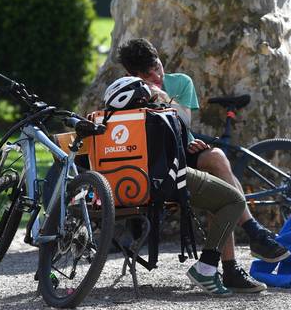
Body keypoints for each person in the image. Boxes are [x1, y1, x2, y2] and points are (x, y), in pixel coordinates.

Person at [117, 38, 291, 292]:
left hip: (184, 153)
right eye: (148, 74)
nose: (157, 75)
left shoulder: (180, 82)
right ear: (133, 75)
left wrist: (165, 99)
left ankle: (247, 243)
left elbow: (184, 120)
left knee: (217, 158)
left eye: (157, 66)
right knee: (220, 186)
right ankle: (241, 253)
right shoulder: (126, 92)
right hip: (155, 164)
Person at [103, 76, 250, 297]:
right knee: (234, 200)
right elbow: (179, 152)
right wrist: (165, 103)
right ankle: (207, 268)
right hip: (166, 183)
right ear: (143, 97)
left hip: (122, 189)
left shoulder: (107, 124)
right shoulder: (159, 117)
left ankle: (214, 268)